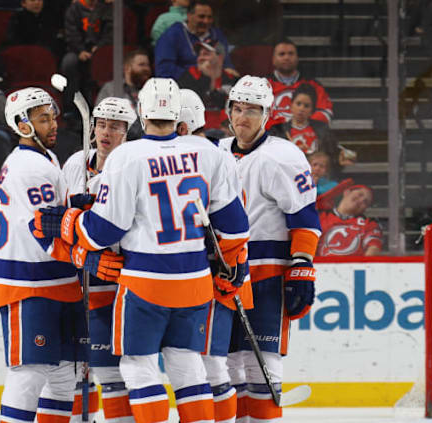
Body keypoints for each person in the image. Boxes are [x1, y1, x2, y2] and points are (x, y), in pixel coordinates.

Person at [34, 77, 250, 423]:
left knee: (139, 368)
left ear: (140, 114)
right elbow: (236, 226)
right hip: (195, 281)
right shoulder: (209, 153)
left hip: (145, 282)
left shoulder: (127, 157)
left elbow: (103, 233)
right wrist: (237, 265)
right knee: (188, 365)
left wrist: (71, 222)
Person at [218, 75, 321, 422]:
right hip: (225, 271)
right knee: (230, 363)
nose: (243, 116)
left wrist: (302, 266)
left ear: (268, 114)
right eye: (237, 108)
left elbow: (305, 216)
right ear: (228, 111)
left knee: (263, 360)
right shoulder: (216, 153)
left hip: (267, 272)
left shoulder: (284, 156)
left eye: (252, 109)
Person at [0, 87, 92, 423]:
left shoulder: (43, 158)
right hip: (30, 280)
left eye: (53, 117)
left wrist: (75, 207)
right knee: (29, 372)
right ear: (23, 125)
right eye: (43, 119)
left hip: (50, 278)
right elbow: (45, 227)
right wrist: (85, 242)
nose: (53, 124)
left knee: (63, 376)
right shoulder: (31, 166)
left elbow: (52, 214)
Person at [177, 87, 253, 423]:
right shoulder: (217, 154)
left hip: (214, 270)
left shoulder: (206, 156)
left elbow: (233, 224)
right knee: (199, 360)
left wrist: (230, 265)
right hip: (220, 267)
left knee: (206, 361)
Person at [60, 96, 137, 423]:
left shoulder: (130, 165)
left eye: (116, 126)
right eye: (101, 124)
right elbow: (57, 222)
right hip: (75, 280)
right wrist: (76, 234)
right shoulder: (75, 163)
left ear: (127, 131)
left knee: (111, 372)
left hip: (115, 279)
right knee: (76, 371)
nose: (106, 132)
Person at [155, 0, 236, 80]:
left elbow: (227, 64)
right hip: (183, 86)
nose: (206, 21)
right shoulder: (171, 35)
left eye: (209, 17)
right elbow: (164, 71)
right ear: (189, 15)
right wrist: (197, 75)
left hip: (216, 84)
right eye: (201, 16)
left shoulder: (217, 35)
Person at [267, 39, 333, 125]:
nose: (286, 57)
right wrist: (278, 128)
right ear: (273, 59)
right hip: (272, 135)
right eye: (281, 54)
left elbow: (326, 113)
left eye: (291, 54)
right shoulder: (263, 85)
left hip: (306, 136)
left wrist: (299, 126)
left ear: (297, 58)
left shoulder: (314, 85)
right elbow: (254, 115)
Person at [61, 0, 112, 108]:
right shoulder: (74, 9)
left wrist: (100, 47)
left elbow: (110, 31)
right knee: (69, 62)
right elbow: (71, 32)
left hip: (101, 50)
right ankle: (71, 106)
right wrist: (80, 50)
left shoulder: (105, 7)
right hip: (77, 50)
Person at [177, 39, 237, 131]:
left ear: (220, 57)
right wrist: (210, 79)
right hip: (197, 131)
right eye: (199, 55)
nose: (200, 58)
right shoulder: (189, 76)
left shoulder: (231, 79)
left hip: (226, 131)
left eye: (206, 54)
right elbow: (191, 106)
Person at [95, 49, 151, 140]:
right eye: (141, 65)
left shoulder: (151, 91)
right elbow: (100, 119)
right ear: (127, 68)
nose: (146, 69)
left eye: (147, 65)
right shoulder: (111, 89)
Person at [317, 184, 381, 257]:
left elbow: (373, 248)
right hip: (320, 266)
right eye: (360, 194)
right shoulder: (320, 217)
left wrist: (362, 266)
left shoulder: (369, 224)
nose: (361, 200)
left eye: (365, 202)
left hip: (353, 267)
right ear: (347, 192)